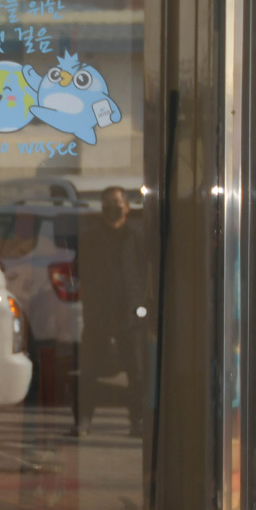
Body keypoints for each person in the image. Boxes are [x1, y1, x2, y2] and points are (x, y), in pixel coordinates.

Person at [75, 185, 150, 435]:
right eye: (107, 205)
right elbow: (79, 271)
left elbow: (146, 273)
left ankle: (137, 421)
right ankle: (83, 420)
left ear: (127, 207)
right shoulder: (90, 238)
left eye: (116, 204)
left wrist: (143, 306)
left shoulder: (138, 237)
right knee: (89, 371)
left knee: (136, 371)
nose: (112, 210)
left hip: (131, 315)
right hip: (99, 314)